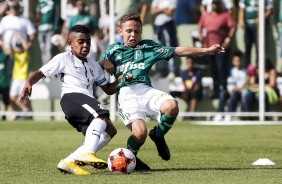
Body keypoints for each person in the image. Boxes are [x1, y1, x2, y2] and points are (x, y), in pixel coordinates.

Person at [98, 12, 224, 170]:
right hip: (127, 95)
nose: (133, 34)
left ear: (141, 31)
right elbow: (98, 63)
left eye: (136, 31)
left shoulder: (149, 47)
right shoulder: (114, 49)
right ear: (120, 31)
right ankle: (132, 158)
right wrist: (105, 61)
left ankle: (158, 135)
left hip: (145, 90)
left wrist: (205, 51)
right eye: (129, 31)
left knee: (171, 106)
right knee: (140, 133)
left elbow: (178, 50)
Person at [19, 25, 118, 175]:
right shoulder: (63, 58)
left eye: (88, 42)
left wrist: (122, 79)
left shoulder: (94, 65)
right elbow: (41, 72)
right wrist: (28, 83)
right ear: (70, 43)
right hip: (72, 98)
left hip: (85, 101)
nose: (85, 45)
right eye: (81, 41)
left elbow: (109, 89)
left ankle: (69, 162)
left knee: (110, 130)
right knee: (102, 114)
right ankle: (88, 153)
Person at [198, 0, 236, 99]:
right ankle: (216, 90)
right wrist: (201, 38)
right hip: (209, 48)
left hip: (220, 47)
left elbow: (232, 27)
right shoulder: (206, 15)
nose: (214, 5)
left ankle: (223, 88)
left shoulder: (225, 15)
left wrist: (228, 40)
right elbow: (200, 26)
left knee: (221, 68)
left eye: (216, 3)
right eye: (213, 3)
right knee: (213, 69)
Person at [238, 0, 273, 68]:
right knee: (247, 47)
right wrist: (241, 19)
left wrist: (261, 18)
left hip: (259, 27)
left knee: (259, 48)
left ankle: (259, 67)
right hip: (248, 26)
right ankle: (247, 68)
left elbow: (269, 10)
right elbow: (242, 8)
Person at [213, 50, 247, 121]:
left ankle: (229, 113)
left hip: (238, 92)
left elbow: (244, 84)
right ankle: (220, 113)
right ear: (233, 61)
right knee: (222, 93)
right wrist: (229, 89)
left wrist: (236, 88)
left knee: (233, 95)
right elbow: (229, 82)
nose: (237, 62)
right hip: (230, 90)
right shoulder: (231, 71)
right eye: (236, 60)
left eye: (239, 60)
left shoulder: (244, 72)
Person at [151, 0, 179, 79]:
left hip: (168, 24)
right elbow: (153, 11)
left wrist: (159, 9)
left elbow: (170, 12)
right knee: (158, 49)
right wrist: (164, 9)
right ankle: (160, 71)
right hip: (158, 26)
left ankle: (171, 70)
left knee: (169, 48)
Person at [9, 30, 31, 120]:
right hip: (16, 78)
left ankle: (25, 112)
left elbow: (26, 47)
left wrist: (20, 38)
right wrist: (12, 36)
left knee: (22, 97)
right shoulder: (16, 55)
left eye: (19, 46)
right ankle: (25, 109)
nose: (18, 48)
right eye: (17, 46)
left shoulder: (25, 54)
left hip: (23, 78)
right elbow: (10, 46)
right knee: (12, 97)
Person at [36, 0, 61, 65]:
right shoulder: (40, 2)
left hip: (50, 29)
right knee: (43, 49)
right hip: (41, 29)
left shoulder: (54, 2)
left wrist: (55, 27)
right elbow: (38, 15)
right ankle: (44, 67)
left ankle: (48, 69)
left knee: (48, 49)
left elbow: (57, 15)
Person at [0, 39, 11, 120]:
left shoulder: (3, 56)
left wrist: (2, 43)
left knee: (6, 101)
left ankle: (4, 114)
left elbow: (8, 53)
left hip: (4, 82)